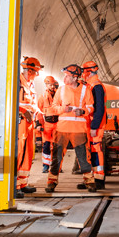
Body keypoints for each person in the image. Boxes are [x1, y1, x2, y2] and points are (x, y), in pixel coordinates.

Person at [46, 64, 95, 193]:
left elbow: (91, 107)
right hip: (62, 129)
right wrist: (63, 109)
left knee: (83, 157)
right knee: (56, 157)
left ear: (75, 78)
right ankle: (51, 182)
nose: (65, 78)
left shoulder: (86, 90)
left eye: (67, 76)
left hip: (79, 130)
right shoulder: (61, 90)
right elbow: (54, 107)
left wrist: (83, 111)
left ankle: (89, 181)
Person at [15, 56, 42, 197]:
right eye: (36, 72)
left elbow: (32, 103)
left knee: (28, 152)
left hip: (29, 122)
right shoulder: (17, 82)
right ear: (29, 71)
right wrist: (24, 111)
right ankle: (14, 186)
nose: (37, 75)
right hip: (19, 121)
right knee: (19, 151)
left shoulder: (30, 84)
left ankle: (23, 183)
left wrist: (38, 113)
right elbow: (11, 101)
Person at [81, 61, 108, 190]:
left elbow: (99, 109)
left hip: (94, 125)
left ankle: (98, 180)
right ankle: (90, 179)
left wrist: (94, 126)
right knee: (89, 151)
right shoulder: (90, 85)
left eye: (84, 71)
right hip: (90, 124)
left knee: (96, 150)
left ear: (89, 72)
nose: (82, 74)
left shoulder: (96, 86)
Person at [38, 75, 59, 173]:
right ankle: (46, 166)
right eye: (50, 85)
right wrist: (39, 124)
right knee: (46, 145)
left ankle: (56, 165)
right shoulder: (42, 97)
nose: (52, 86)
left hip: (57, 123)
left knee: (57, 146)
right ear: (46, 85)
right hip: (47, 124)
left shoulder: (58, 95)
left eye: (53, 84)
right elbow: (38, 112)